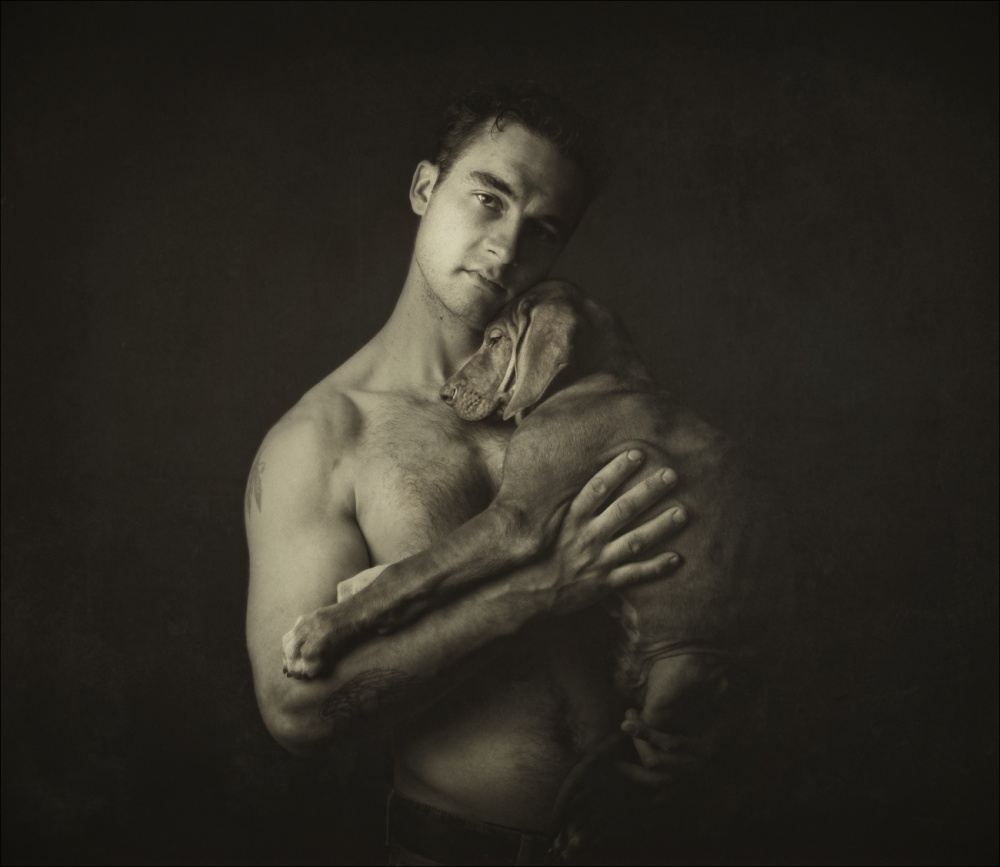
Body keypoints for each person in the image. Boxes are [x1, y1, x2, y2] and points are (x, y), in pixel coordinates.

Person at [245, 86, 698, 865]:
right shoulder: (323, 438)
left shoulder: (589, 397)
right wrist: (540, 590)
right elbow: (297, 712)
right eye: (490, 199)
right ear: (426, 188)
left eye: (543, 229)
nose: (506, 246)